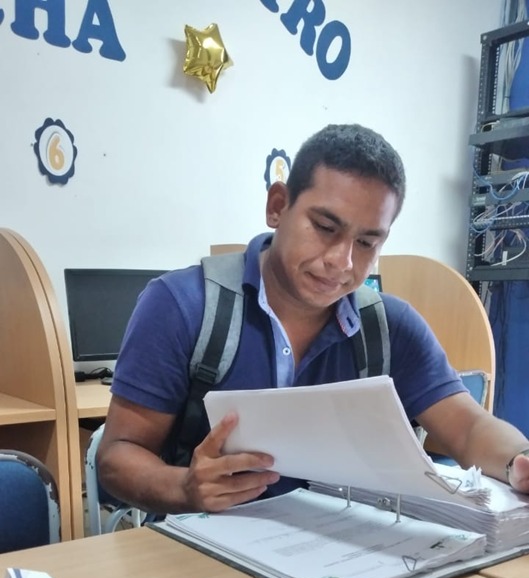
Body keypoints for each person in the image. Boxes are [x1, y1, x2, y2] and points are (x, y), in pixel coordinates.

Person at [98, 123, 529, 514]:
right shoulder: (182, 306)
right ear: (277, 206)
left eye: (366, 242)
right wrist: (185, 488)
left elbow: (468, 428)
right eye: (325, 227)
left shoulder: (390, 327)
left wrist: (518, 462)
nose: (342, 261)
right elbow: (118, 455)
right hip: (200, 551)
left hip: (344, 553)